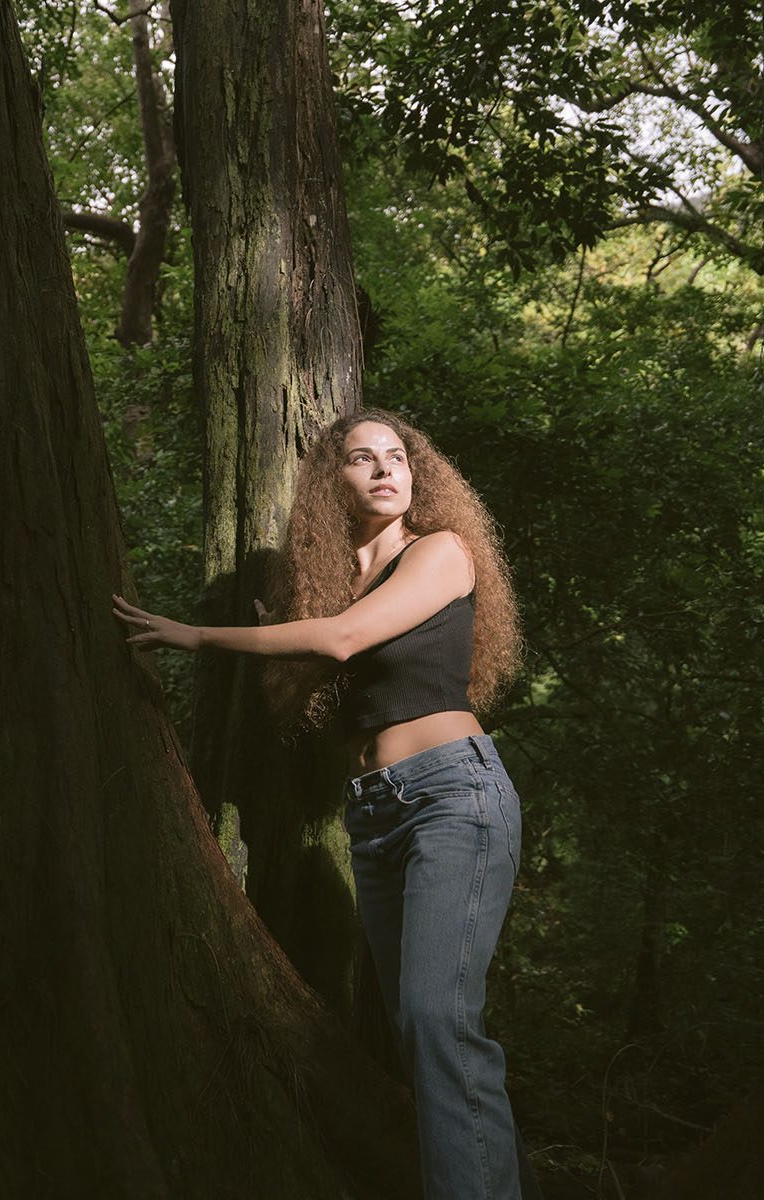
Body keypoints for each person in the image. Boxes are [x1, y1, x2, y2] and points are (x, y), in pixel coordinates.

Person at [112, 408, 535, 1200]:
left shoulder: (439, 553)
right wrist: (289, 652)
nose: (384, 468)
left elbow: (342, 640)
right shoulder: (345, 589)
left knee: (435, 1025)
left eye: (398, 456)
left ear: (419, 476)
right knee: (427, 1035)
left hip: (454, 797)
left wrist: (195, 635)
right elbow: (331, 684)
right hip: (375, 815)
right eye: (361, 458)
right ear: (331, 482)